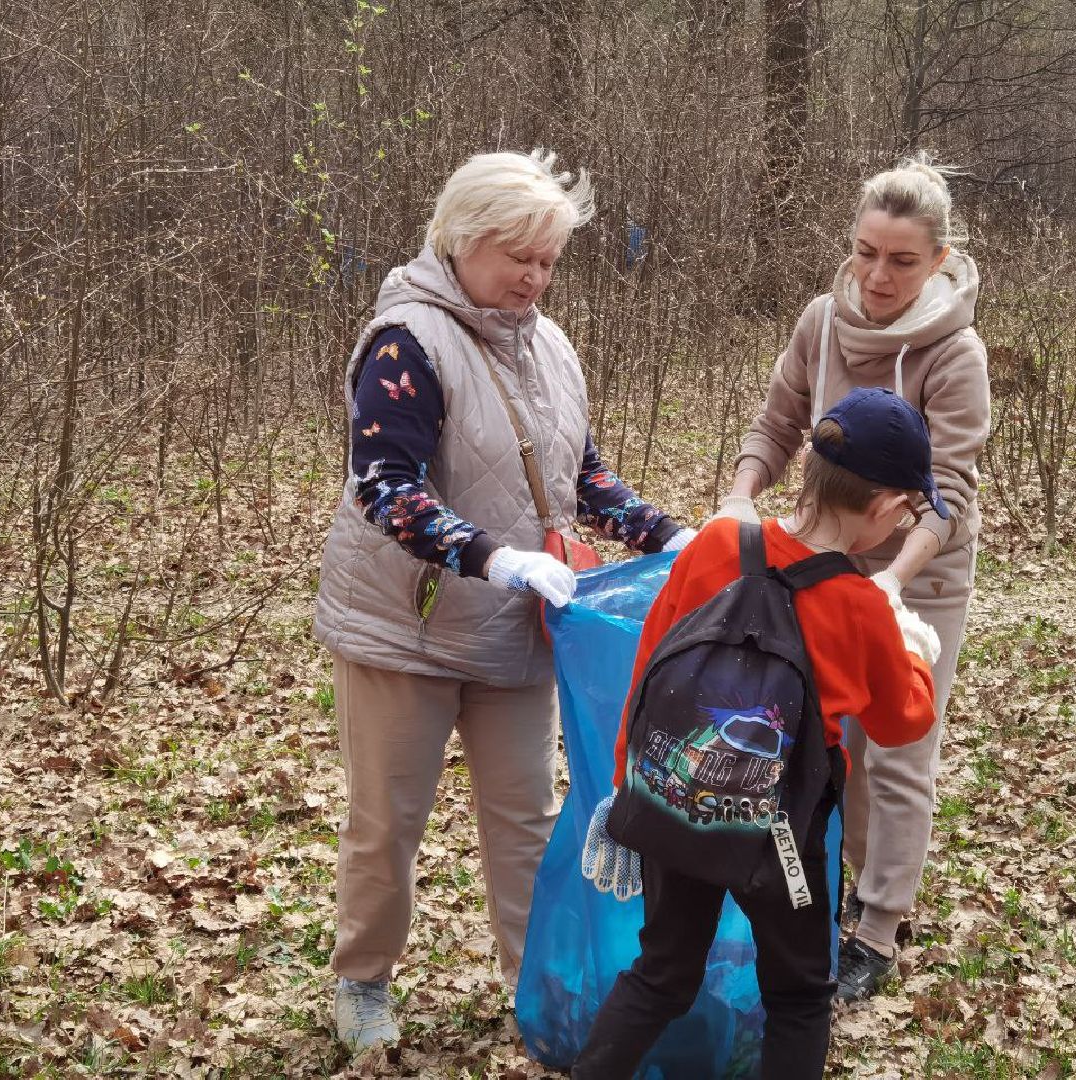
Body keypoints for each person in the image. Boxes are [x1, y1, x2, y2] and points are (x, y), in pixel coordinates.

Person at [313, 149, 695, 1055]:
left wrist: (666, 535)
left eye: (548, 260)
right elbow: (383, 485)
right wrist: (493, 558)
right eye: (518, 255)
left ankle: (540, 984)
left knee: (527, 819)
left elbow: (581, 477)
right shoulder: (407, 342)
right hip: (402, 629)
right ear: (462, 239)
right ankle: (362, 982)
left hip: (516, 634)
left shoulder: (550, 345)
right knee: (388, 821)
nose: (534, 275)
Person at [573, 388, 942, 1079]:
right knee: (799, 993)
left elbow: (651, 669)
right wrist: (914, 647)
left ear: (807, 468)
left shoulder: (717, 542)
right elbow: (902, 722)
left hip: (677, 805)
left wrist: (629, 789)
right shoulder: (862, 607)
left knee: (662, 973)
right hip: (784, 841)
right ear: (890, 507)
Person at [721, 153, 990, 1000]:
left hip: (920, 574)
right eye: (866, 251)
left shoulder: (955, 353)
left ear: (939, 260)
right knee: (821, 742)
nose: (877, 274)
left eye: (902, 259)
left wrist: (892, 583)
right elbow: (776, 425)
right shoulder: (820, 322)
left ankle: (878, 929)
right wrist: (737, 501)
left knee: (898, 745)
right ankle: (826, 890)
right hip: (819, 563)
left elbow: (946, 495)